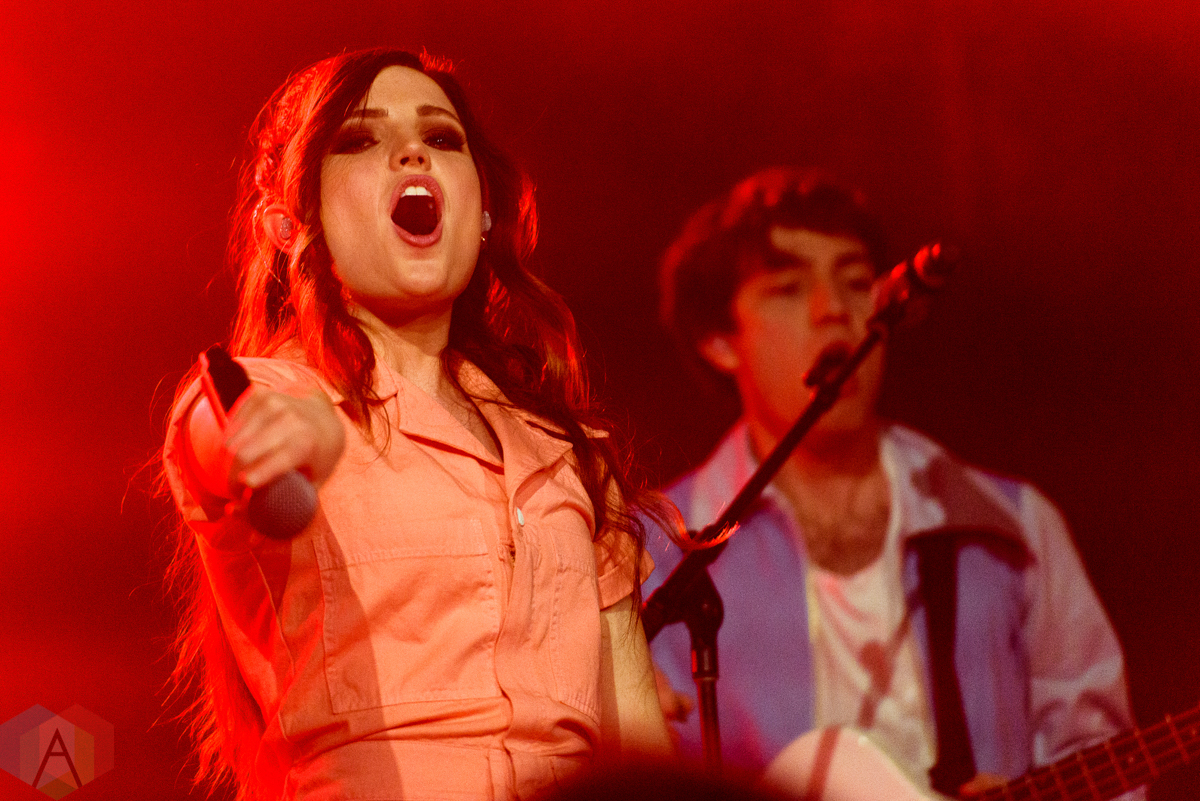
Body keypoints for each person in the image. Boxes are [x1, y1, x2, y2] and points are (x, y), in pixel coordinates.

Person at [161, 49, 671, 801]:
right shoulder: (267, 390)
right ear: (288, 223)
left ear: (484, 210)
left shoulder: (566, 454)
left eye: (441, 137)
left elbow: (641, 751)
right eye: (360, 139)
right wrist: (298, 432)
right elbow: (222, 432)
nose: (412, 153)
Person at [646, 167, 1139, 796]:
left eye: (857, 283)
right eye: (788, 289)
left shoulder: (1010, 523)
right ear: (719, 341)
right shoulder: (656, 552)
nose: (834, 310)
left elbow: (1103, 759)